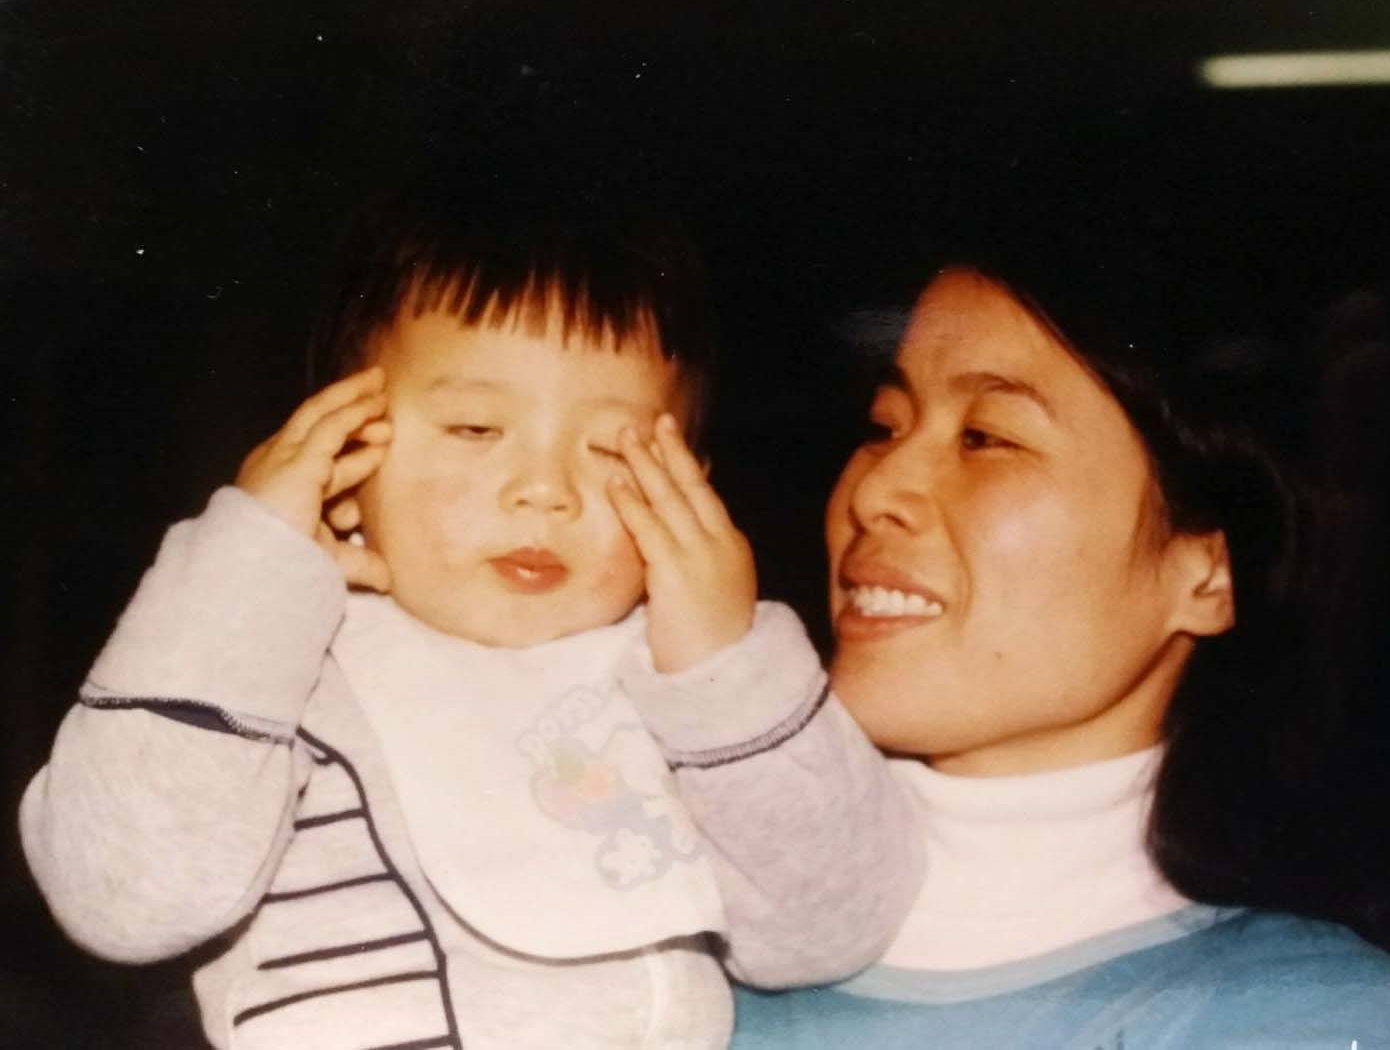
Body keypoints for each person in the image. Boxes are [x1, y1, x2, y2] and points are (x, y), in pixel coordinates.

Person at [19, 184, 919, 1050]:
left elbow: (828, 932)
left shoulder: (699, 702)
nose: (544, 490)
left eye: (611, 449)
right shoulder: (272, 671)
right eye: (476, 429)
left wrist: (726, 669)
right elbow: (122, 901)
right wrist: (243, 580)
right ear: (343, 454)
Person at [732, 242, 1390, 1048]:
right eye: (884, 426)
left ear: (1208, 572)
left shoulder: (1289, 1013)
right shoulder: (652, 929)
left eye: (986, 437)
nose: (876, 488)